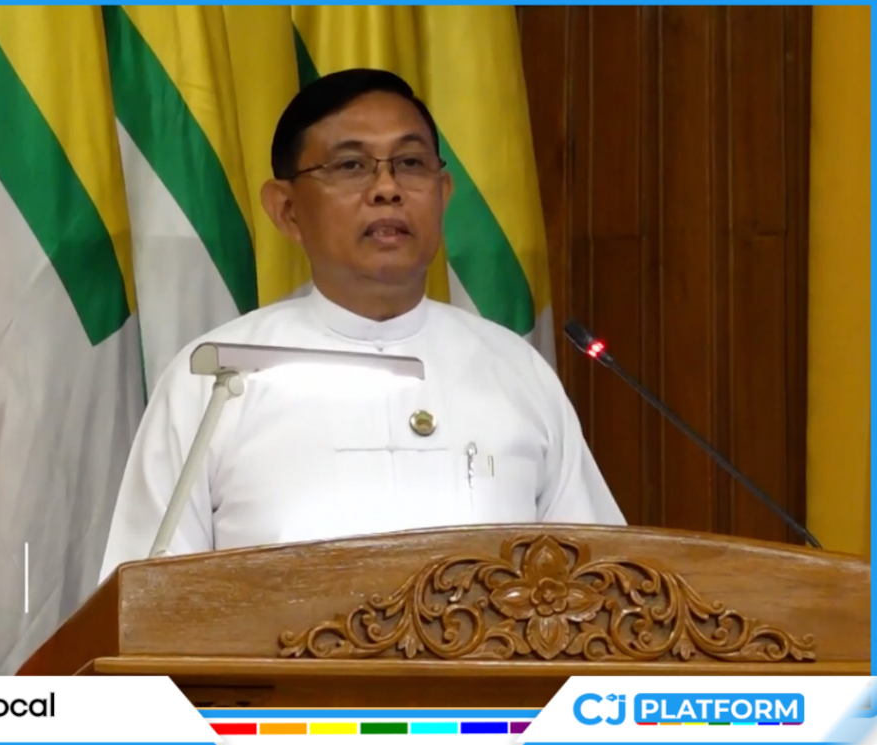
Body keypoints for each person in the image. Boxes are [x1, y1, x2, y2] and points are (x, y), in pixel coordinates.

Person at [100, 69, 623, 579]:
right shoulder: (215, 379)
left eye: (410, 163)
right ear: (287, 210)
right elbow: (141, 605)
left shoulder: (513, 371)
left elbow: (604, 588)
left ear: (443, 193)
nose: (387, 188)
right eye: (351, 166)